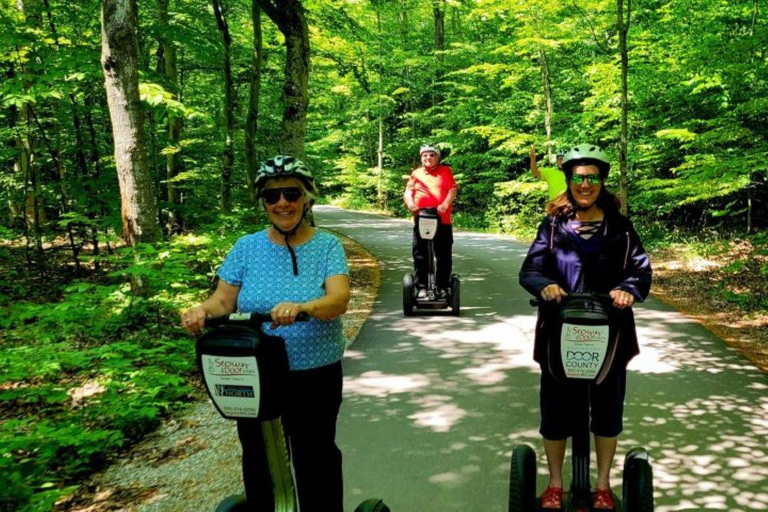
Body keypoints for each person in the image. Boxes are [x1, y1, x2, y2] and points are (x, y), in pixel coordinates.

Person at [181, 155, 350, 512]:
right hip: (255, 374)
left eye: (291, 193)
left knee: (314, 455)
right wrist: (200, 311)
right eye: (272, 196)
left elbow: (338, 299)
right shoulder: (246, 247)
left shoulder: (327, 246)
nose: (282, 203)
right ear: (263, 202)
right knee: (258, 456)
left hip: (313, 372)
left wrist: (305, 307)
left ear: (307, 198)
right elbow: (222, 301)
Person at [519, 144, 652, 510]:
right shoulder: (552, 226)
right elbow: (530, 270)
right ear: (569, 180)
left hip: (611, 334)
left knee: (608, 411)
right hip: (558, 332)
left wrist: (628, 289)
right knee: (555, 411)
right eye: (578, 177)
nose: (585, 184)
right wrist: (543, 285)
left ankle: (604, 486)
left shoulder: (621, 229)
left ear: (601, 182)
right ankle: (556, 485)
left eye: (592, 177)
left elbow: (640, 271)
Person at [403, 144, 458, 299]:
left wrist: (445, 204)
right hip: (422, 217)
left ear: (437, 157)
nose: (428, 158)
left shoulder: (445, 171)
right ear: (421, 158)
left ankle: (442, 287)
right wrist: (411, 204)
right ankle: (421, 287)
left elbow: (452, 190)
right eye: (424, 155)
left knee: (443, 255)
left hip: (442, 219)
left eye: (431, 155)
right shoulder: (416, 173)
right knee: (420, 254)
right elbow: (408, 192)